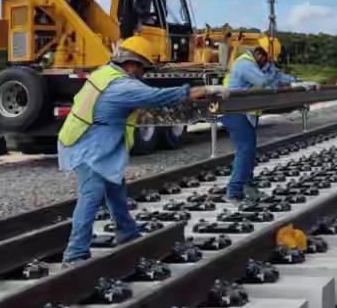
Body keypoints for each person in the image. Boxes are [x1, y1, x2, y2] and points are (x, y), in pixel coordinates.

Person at [59, 37, 214, 264]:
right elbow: (156, 98)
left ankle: (127, 232)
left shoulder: (105, 73)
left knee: (115, 189)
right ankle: (75, 254)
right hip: (90, 147)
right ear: (132, 64)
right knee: (90, 197)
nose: (144, 73)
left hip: (92, 141)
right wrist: (195, 91)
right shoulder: (123, 86)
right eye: (144, 68)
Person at [221, 37, 297, 201]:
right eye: (266, 60)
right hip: (235, 112)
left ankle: (248, 187)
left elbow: (277, 75)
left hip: (245, 113)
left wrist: (296, 82)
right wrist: (281, 84)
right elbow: (264, 83)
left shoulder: (257, 64)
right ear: (258, 54)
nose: (267, 64)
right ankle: (234, 191)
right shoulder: (245, 65)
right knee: (245, 151)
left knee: (249, 152)